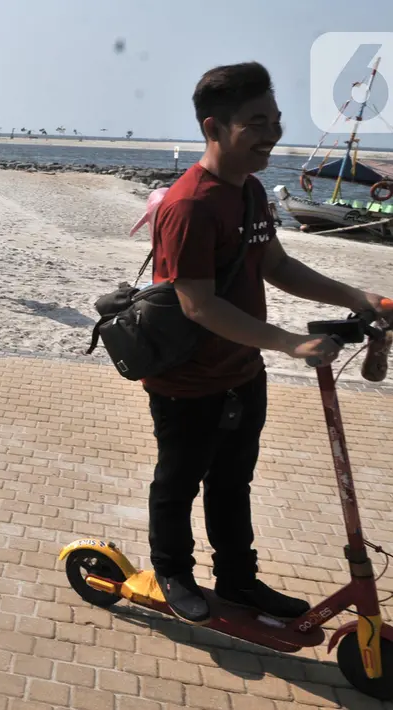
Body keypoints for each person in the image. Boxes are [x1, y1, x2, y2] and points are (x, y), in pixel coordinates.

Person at [145, 61, 393, 624]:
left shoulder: (252, 192)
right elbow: (197, 304)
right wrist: (287, 342)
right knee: (179, 480)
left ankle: (237, 582)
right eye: (256, 123)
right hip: (186, 379)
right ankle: (172, 571)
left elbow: (275, 264)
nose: (273, 134)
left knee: (233, 482)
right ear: (214, 128)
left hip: (240, 372)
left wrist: (355, 296)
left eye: (276, 119)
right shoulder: (189, 205)